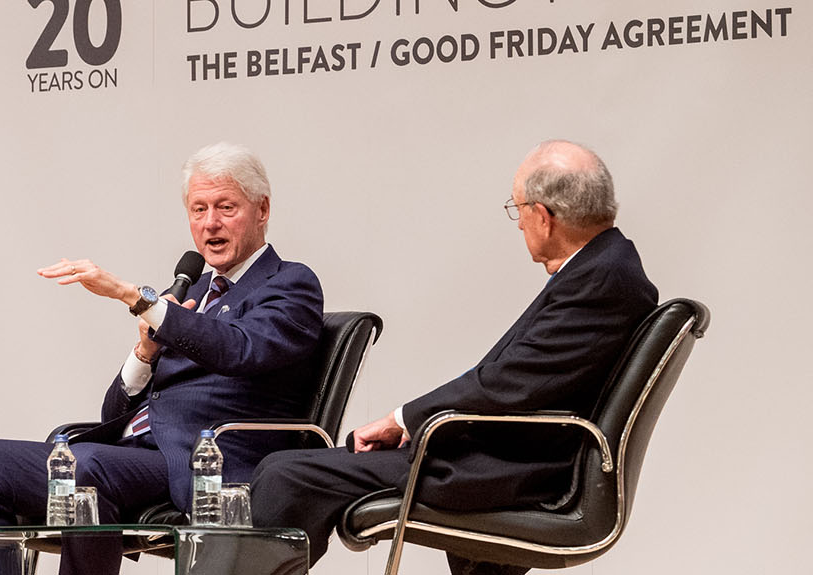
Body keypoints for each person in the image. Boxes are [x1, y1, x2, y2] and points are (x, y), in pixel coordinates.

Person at [250, 140, 660, 574]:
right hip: (507, 453)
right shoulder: (605, 267)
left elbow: (508, 384)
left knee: (283, 474)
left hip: (508, 468)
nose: (519, 222)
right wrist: (412, 424)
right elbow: (520, 379)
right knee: (291, 467)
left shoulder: (600, 281)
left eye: (517, 208)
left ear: (543, 216)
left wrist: (403, 420)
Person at [0, 142, 326, 574]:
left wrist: (135, 298)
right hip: (130, 455)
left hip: (203, 463)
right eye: (198, 209)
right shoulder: (193, 292)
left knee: (88, 468)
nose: (210, 223)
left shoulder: (289, 283)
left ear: (262, 209)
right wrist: (145, 352)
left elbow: (240, 348)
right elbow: (113, 414)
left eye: (226, 207)